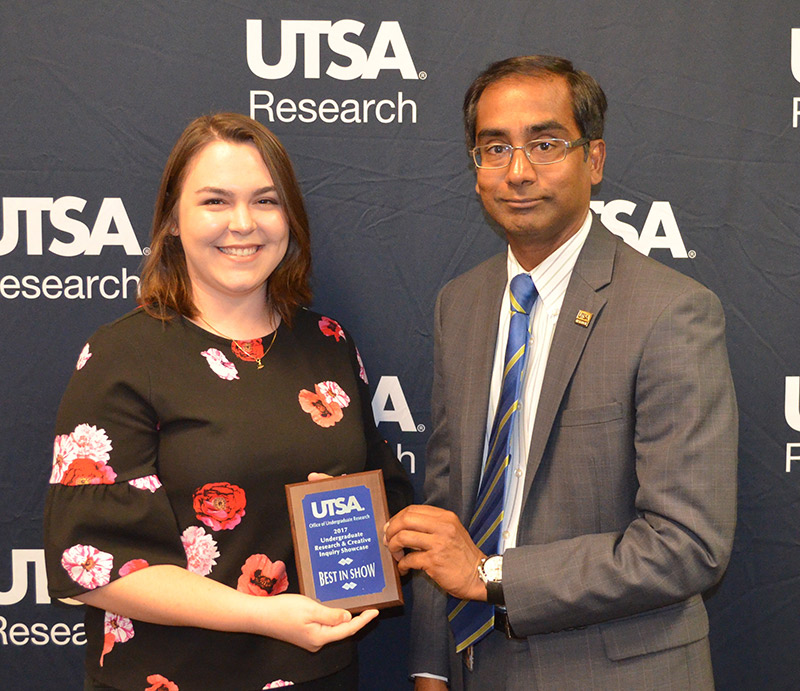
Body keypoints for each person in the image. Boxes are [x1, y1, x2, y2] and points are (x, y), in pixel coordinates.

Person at [385, 55, 738, 690]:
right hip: (477, 668)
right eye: (495, 148)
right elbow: (446, 509)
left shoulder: (672, 313)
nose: (518, 171)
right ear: (475, 168)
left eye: (545, 144)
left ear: (594, 160)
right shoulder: (459, 305)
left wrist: (492, 578)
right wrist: (431, 666)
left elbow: (688, 545)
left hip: (616, 671)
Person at [43, 112, 412, 691]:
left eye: (266, 201)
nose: (243, 224)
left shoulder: (328, 343)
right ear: (171, 220)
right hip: (173, 678)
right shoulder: (121, 356)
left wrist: (368, 523)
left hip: (320, 674)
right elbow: (90, 565)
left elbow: (385, 499)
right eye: (215, 201)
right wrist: (264, 616)